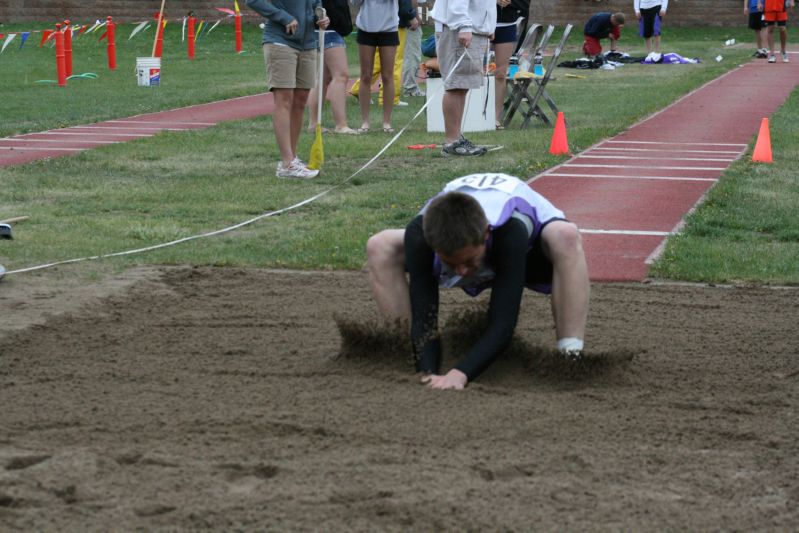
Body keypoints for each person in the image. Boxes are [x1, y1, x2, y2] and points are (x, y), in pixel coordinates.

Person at [366, 173, 590, 390]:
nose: (462, 272)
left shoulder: (510, 230)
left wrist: (460, 374)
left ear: (485, 234)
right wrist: (427, 373)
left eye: (468, 261)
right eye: (452, 263)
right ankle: (406, 351)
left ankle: (570, 356)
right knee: (379, 245)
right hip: (465, 241)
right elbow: (425, 316)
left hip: (529, 252)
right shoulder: (419, 235)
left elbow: (503, 324)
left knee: (566, 235)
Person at [246, 0, 330, 179]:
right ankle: (287, 162)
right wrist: (283, 17)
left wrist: (321, 17)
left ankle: (292, 158)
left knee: (300, 101)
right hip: (280, 41)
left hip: (308, 43)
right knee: (284, 100)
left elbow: (316, 5)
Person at [430, 0, 496, 157]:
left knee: (462, 85)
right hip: (459, 29)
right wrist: (464, 26)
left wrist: (488, 25)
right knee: (456, 85)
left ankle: (456, 138)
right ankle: (452, 142)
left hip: (472, 27)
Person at [351, 0, 402, 133]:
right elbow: (355, 2)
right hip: (366, 28)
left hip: (389, 28)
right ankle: (365, 122)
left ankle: (386, 122)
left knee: (387, 76)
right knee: (365, 76)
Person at [306, 24, 360, 135]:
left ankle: (313, 123)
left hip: (328, 30)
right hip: (328, 31)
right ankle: (341, 125)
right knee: (340, 76)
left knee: (323, 77)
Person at [493, 0, 529, 130]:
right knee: (478, 71)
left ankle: (496, 118)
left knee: (501, 73)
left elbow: (524, 4)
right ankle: (473, 115)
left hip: (507, 24)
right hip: (481, 24)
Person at [401, 0, 426, 97]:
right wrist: (415, 17)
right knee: (412, 55)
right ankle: (410, 88)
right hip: (408, 21)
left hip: (401, 20)